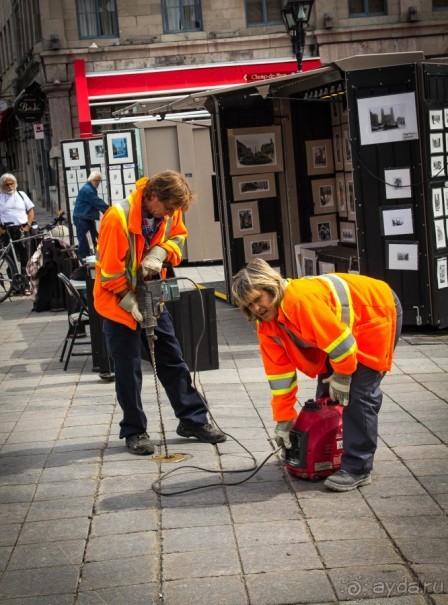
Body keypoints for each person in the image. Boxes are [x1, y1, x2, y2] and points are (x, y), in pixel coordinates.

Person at [231, 258, 403, 492]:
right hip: (341, 335)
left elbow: (342, 347)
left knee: (359, 394)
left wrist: (342, 376)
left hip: (376, 312)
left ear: (271, 287)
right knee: (327, 399)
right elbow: (279, 376)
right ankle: (332, 457)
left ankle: (358, 468)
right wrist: (284, 418)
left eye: (258, 299)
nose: (256, 309)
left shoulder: (299, 301)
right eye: (249, 305)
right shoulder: (266, 326)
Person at [93, 170, 226, 455]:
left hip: (152, 295)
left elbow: (178, 237)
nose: (169, 215)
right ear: (153, 196)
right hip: (118, 304)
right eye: (167, 209)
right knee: (128, 370)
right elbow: (110, 273)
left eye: (174, 211)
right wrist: (130, 302)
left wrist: (160, 253)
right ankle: (135, 431)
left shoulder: (170, 210)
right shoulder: (116, 218)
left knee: (172, 360)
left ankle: (193, 420)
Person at [0, 173, 35, 296]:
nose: (9, 186)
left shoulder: (21, 195)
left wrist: (28, 226)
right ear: (2, 186)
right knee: (10, 258)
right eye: (6, 184)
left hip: (21, 229)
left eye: (11, 184)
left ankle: (25, 285)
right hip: (6, 230)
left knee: (25, 257)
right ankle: (14, 287)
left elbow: (30, 211)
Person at [73, 171, 109, 259]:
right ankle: (84, 260)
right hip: (81, 217)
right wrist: (109, 210)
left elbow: (96, 202)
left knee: (96, 237)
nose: (98, 183)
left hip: (86, 217)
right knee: (83, 240)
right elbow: (97, 202)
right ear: (91, 180)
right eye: (96, 180)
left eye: (99, 181)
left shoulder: (90, 188)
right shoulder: (88, 190)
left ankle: (98, 256)